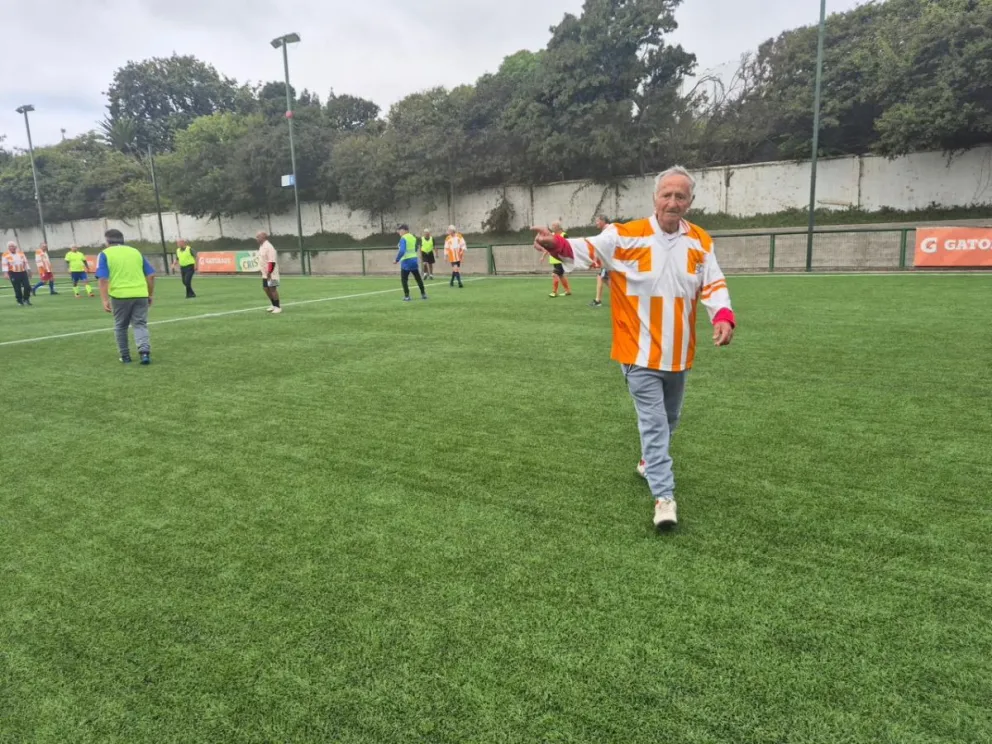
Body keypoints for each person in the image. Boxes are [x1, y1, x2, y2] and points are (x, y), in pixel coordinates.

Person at [531, 166, 736, 531]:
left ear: (690, 202)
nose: (673, 202)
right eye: (666, 194)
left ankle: (647, 463)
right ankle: (664, 496)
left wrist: (722, 314)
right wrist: (556, 244)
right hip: (637, 353)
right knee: (655, 424)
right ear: (655, 198)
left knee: (670, 420)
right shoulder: (625, 235)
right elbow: (588, 248)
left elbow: (713, 281)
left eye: (681, 196)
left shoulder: (701, 241)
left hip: (679, 354)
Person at [96, 229, 156, 365]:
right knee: (140, 324)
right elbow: (151, 275)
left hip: (120, 295)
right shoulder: (135, 252)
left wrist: (105, 299)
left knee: (121, 326)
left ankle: (125, 356)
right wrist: (150, 293)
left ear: (107, 241)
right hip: (140, 294)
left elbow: (103, 279)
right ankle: (144, 353)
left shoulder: (104, 254)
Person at [395, 224, 428, 302]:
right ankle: (423, 294)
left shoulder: (403, 238)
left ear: (404, 230)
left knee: (404, 279)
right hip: (414, 260)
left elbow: (402, 251)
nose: (399, 232)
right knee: (418, 278)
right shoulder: (413, 237)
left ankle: (407, 296)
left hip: (406, 261)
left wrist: (397, 259)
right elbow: (416, 248)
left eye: (400, 230)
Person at [256, 232, 282, 314]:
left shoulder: (269, 247)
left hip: (271, 273)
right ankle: (273, 305)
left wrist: (269, 272)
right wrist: (262, 271)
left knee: (272, 288)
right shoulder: (261, 246)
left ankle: (277, 307)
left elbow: (272, 261)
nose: (256, 238)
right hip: (264, 273)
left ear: (263, 237)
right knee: (266, 288)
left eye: (258, 237)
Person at [545, 220, 572, 298]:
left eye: (553, 225)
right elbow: (549, 246)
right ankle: (568, 291)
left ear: (558, 227)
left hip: (561, 259)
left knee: (555, 274)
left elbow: (568, 246)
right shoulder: (552, 235)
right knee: (561, 275)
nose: (552, 227)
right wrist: (543, 255)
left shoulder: (564, 235)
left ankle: (554, 292)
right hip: (554, 259)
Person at [2, 242, 33, 306]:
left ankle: (26, 299)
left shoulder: (21, 253)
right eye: (10, 246)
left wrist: (29, 271)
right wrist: (5, 273)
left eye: (13, 246)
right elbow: (4, 265)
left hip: (23, 272)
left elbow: (25, 262)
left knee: (27, 286)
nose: (12, 247)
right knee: (17, 288)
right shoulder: (5, 254)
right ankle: (20, 301)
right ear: (8, 248)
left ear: (16, 247)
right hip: (13, 273)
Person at [589, 215, 610, 308]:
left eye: (597, 221)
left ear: (603, 221)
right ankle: (598, 300)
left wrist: (596, 259)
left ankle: (622, 297)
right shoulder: (607, 230)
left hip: (608, 261)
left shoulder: (608, 230)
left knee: (603, 278)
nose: (596, 223)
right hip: (607, 260)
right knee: (601, 278)